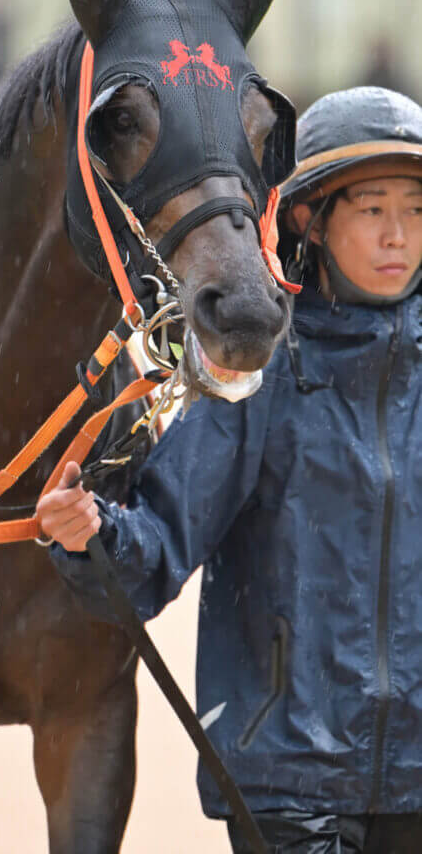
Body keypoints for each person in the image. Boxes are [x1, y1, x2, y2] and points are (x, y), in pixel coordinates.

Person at [36, 86, 422, 853]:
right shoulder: (260, 372)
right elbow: (158, 539)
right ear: (309, 217)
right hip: (288, 778)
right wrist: (93, 535)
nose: (397, 235)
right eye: (371, 209)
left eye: (414, 210)